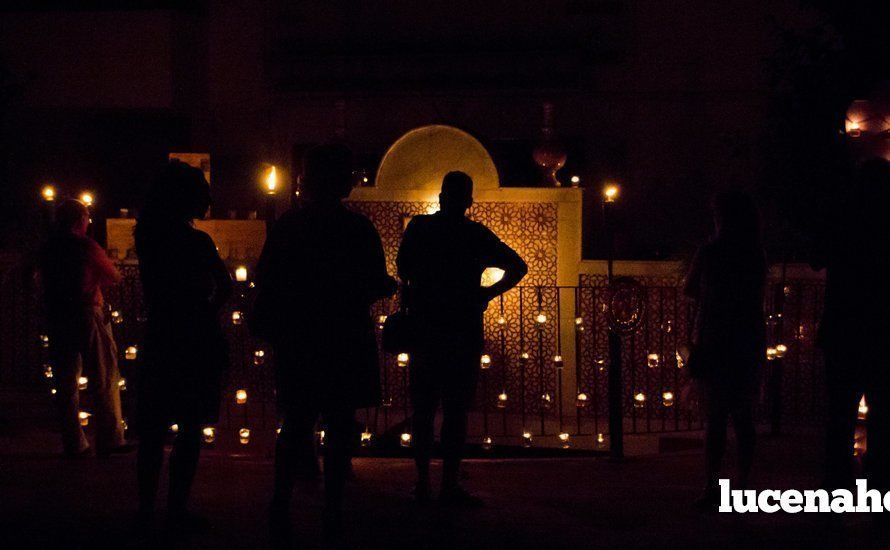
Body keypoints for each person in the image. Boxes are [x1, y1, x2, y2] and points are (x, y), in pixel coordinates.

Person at [255, 143, 396, 542]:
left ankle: (280, 504)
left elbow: (268, 278)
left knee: (296, 423)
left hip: (299, 337)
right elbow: (373, 282)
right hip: (344, 336)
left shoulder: (289, 226)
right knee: (338, 425)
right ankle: (332, 508)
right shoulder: (357, 229)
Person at [397, 171, 527, 506]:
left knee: (424, 409)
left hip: (425, 330)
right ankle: (448, 485)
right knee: (455, 411)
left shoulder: (419, 229)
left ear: (441, 197)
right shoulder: (475, 235)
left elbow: (403, 270)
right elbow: (518, 266)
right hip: (463, 331)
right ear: (468, 201)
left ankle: (423, 482)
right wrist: (486, 292)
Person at [134, 160, 232, 532]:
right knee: (190, 428)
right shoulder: (196, 242)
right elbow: (223, 286)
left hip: (161, 335)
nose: (208, 199)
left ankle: (146, 510)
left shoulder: (148, 238)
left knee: (153, 431)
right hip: (194, 339)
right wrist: (204, 313)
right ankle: (176, 509)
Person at [684, 190, 765, 509]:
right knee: (742, 415)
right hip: (744, 337)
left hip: (716, 337)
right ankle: (742, 483)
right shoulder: (754, 252)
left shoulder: (711, 251)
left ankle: (712, 484)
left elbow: (689, 288)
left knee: (716, 416)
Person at [819, 158, 890, 500]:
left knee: (840, 410)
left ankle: (837, 479)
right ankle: (879, 477)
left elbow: (816, 255)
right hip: (881, 329)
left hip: (843, 328)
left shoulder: (842, 220)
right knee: (883, 408)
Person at [39, 199, 128, 458]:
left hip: (57, 316)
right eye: (87, 218)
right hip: (87, 313)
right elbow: (113, 275)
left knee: (65, 383)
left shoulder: (50, 248)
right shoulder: (85, 246)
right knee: (104, 376)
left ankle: (74, 443)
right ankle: (110, 439)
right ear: (80, 220)